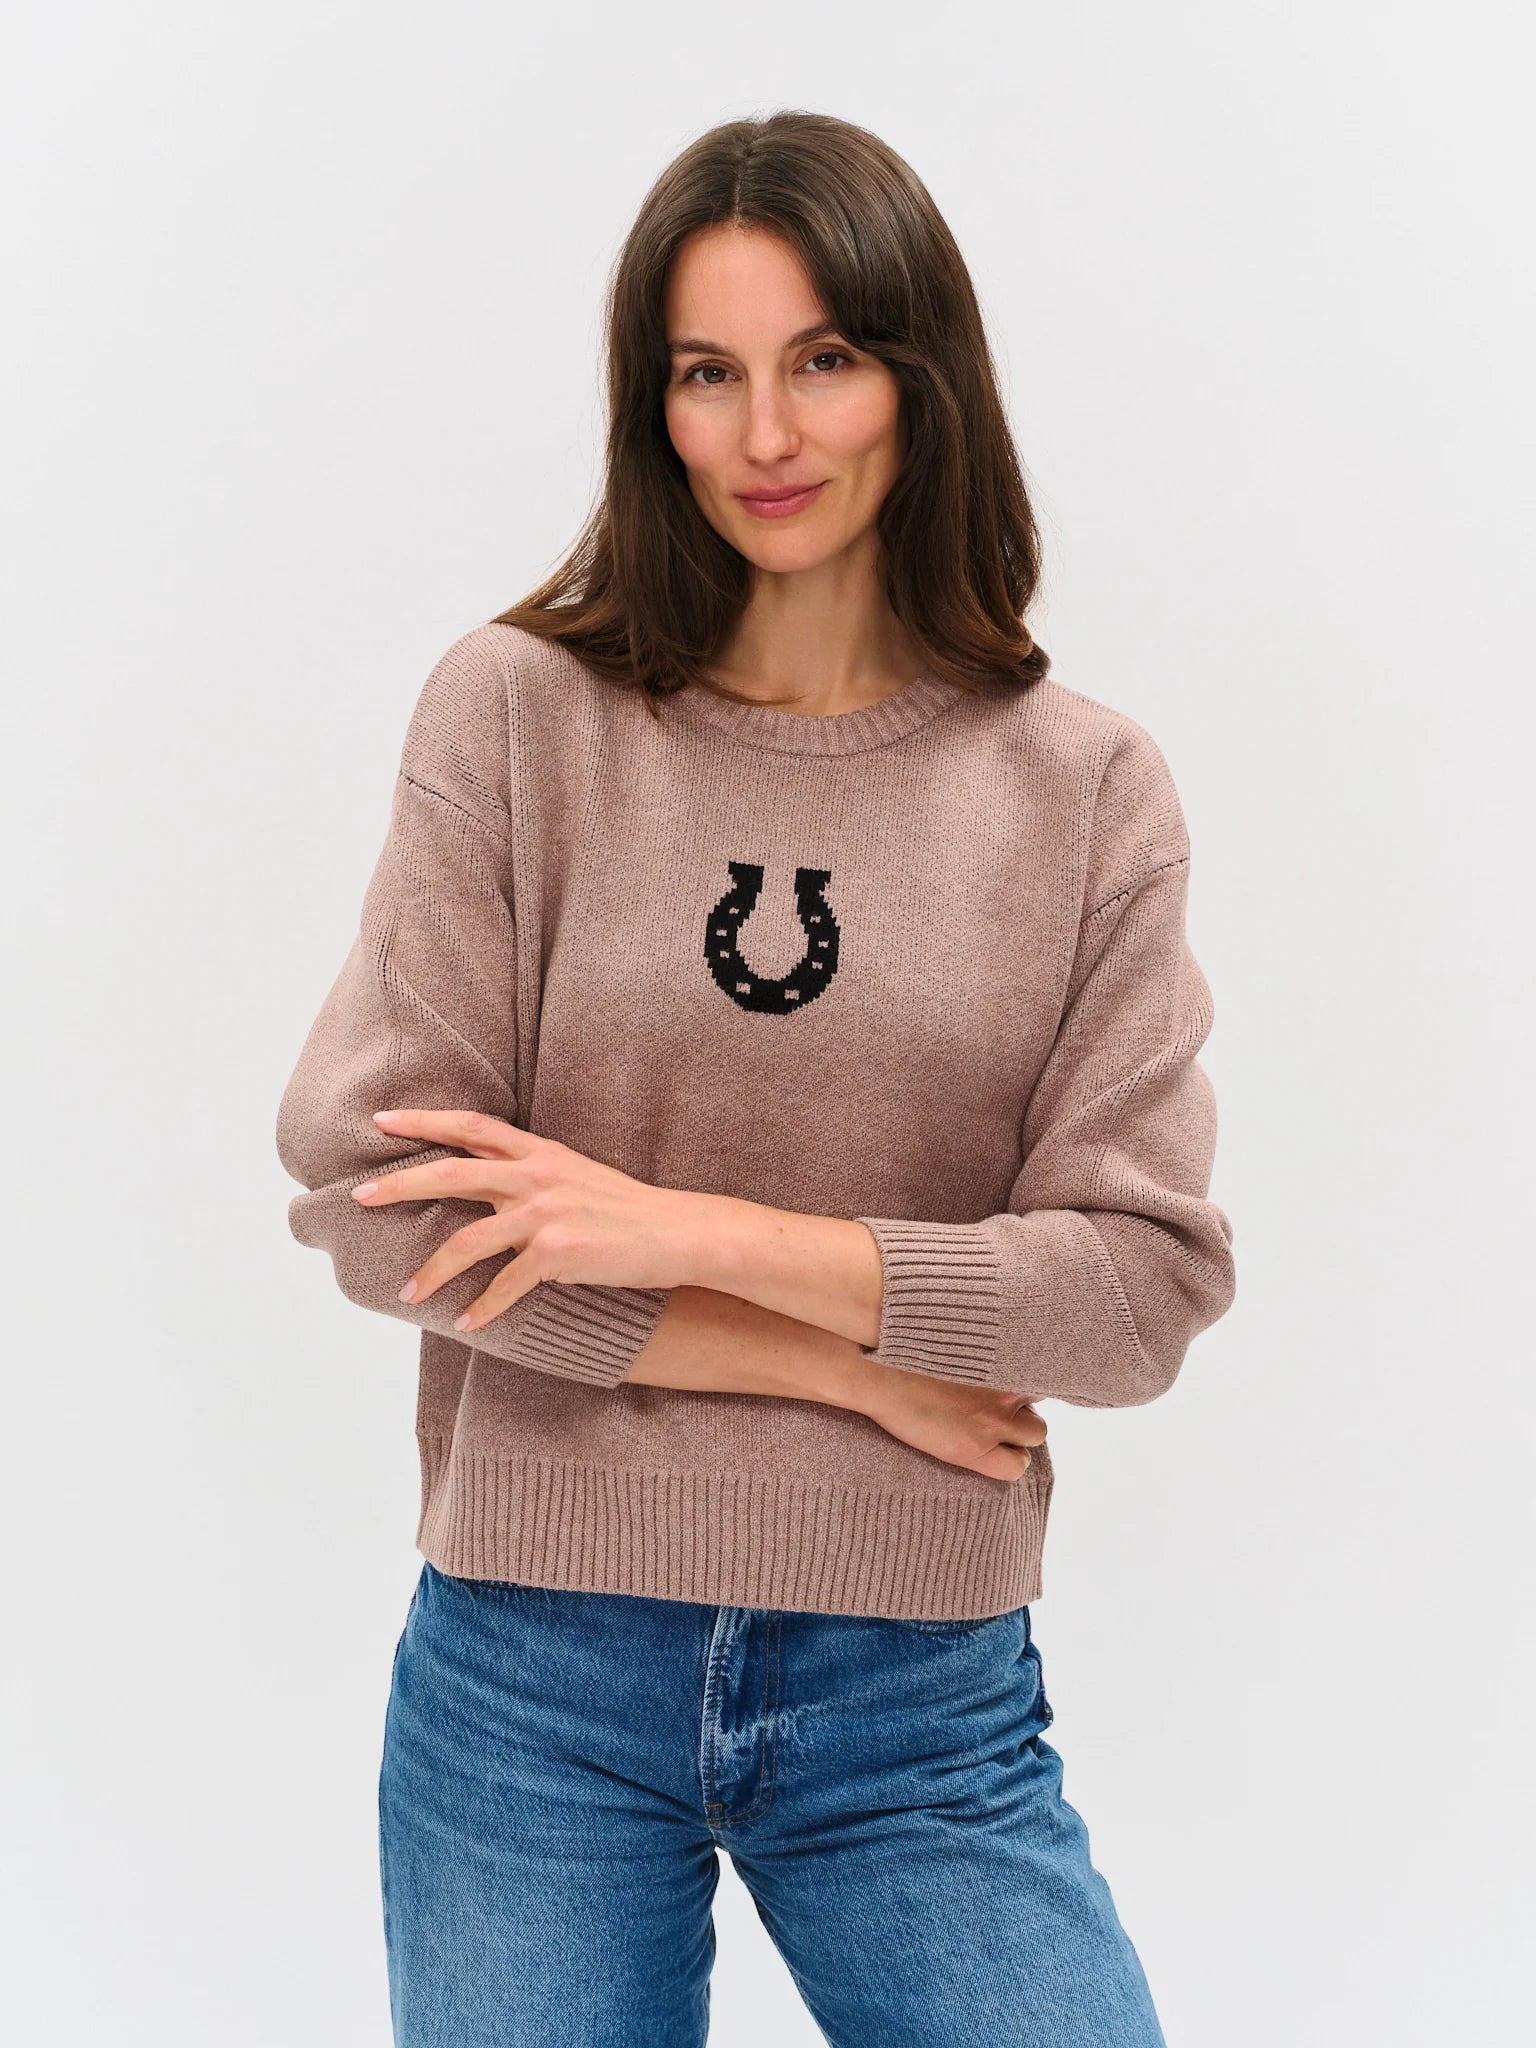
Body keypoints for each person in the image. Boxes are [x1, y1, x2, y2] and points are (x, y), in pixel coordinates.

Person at [276, 108, 1236, 2048]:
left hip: (921, 1697)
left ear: (922, 377)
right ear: (653, 407)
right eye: (706, 373)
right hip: (533, 1676)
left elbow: (1139, 1290)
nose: (766, 435)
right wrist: (842, 1365)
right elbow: (377, 1207)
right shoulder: (519, 718)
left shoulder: (1084, 791)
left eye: (825, 358)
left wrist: (683, 1230)